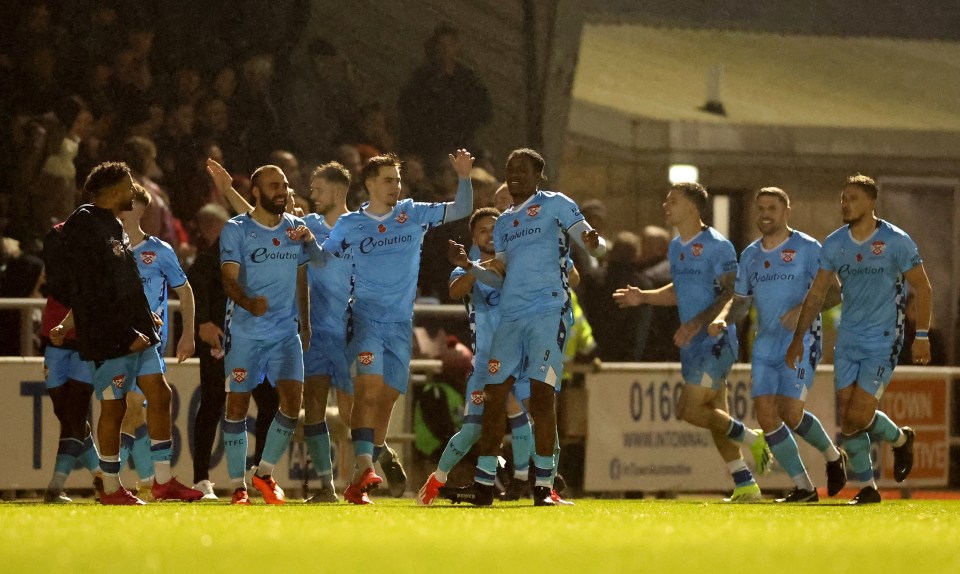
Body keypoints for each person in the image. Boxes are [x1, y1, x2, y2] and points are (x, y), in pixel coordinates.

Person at [441, 148, 605, 506]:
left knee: (542, 397)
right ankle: (484, 485)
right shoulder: (503, 223)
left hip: (547, 310)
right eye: (509, 168)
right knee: (495, 398)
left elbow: (595, 244)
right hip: (511, 317)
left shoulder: (556, 204)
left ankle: (544, 487)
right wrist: (469, 267)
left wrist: (597, 244)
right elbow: (499, 277)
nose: (514, 174)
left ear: (538, 174)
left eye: (522, 169)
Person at [317, 150, 475, 504]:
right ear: (370, 183)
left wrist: (464, 177)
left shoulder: (412, 213)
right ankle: (364, 465)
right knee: (369, 390)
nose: (396, 186)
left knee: (387, 398)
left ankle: (362, 476)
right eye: (388, 180)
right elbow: (323, 259)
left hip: (400, 323)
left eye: (398, 180)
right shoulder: (351, 224)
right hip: (366, 317)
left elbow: (461, 208)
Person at [613, 182, 772, 503]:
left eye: (673, 201)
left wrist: (700, 322)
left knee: (689, 409)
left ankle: (753, 438)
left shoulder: (717, 245)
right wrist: (642, 297)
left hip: (715, 340)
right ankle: (745, 484)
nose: (665, 205)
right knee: (716, 414)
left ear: (692, 208)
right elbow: (678, 290)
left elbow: (734, 292)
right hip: (692, 343)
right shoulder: (676, 247)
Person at [56, 161, 200, 504]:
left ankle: (161, 480)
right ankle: (110, 487)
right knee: (116, 408)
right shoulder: (86, 226)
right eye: (128, 185)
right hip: (111, 337)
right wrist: (122, 323)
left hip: (140, 331)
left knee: (160, 395)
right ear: (115, 192)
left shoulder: (114, 229)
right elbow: (91, 288)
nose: (133, 190)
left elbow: (123, 284)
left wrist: (143, 317)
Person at [786, 174, 932, 505]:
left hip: (883, 338)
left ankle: (898, 440)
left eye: (852, 198)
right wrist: (797, 338)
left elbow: (923, 287)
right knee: (848, 418)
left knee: (856, 417)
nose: (845, 203)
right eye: (843, 198)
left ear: (870, 202)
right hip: (849, 338)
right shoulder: (836, 243)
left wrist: (921, 335)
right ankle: (870, 486)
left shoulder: (896, 241)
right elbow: (817, 293)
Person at [709, 187, 846, 503]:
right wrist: (723, 319)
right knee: (767, 416)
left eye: (772, 207)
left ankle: (833, 456)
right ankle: (804, 488)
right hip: (765, 345)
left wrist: (801, 310)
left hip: (801, 342)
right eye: (761, 208)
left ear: (787, 210)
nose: (765, 214)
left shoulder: (808, 248)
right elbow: (741, 302)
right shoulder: (751, 255)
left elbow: (835, 293)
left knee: (791, 411)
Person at [416, 207, 535, 505]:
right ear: (473, 237)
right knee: (471, 429)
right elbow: (456, 292)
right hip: (483, 362)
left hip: (516, 357)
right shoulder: (464, 269)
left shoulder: (516, 265)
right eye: (482, 230)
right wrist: (469, 266)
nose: (490, 234)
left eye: (495, 228)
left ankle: (524, 480)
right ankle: (438, 479)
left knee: (524, 413)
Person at [217, 162, 321, 505]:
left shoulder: (297, 229)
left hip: (284, 332)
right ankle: (237, 487)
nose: (282, 191)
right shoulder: (236, 229)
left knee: (293, 403)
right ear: (256, 192)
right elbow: (227, 278)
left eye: (286, 185)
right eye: (274, 185)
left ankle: (263, 473)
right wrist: (247, 302)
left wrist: (305, 324)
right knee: (237, 405)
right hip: (245, 333)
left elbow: (302, 277)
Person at [188, 202, 280, 500]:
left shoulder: (281, 237)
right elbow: (198, 274)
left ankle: (258, 472)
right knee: (214, 400)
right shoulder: (236, 234)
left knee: (269, 401)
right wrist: (203, 321)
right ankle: (201, 480)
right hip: (221, 334)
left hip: (256, 336)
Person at [113, 183, 197, 500]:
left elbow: (185, 291)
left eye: (127, 201)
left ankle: (146, 479)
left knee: (145, 405)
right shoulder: (109, 250)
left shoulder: (159, 250)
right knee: (129, 409)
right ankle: (122, 479)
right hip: (117, 343)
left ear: (140, 208)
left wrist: (187, 333)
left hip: (149, 345)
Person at [39, 222, 101, 503]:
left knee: (75, 414)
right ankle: (102, 477)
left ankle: (55, 486)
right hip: (54, 334)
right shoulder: (59, 233)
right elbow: (59, 282)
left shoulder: (103, 235)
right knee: (67, 416)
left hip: (85, 337)